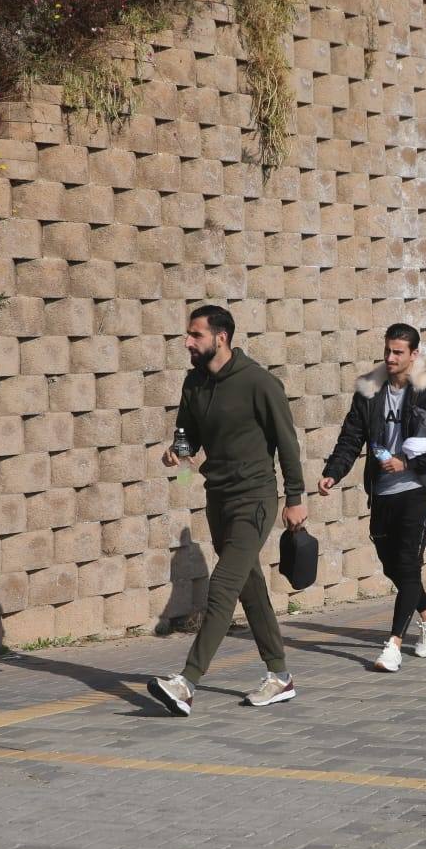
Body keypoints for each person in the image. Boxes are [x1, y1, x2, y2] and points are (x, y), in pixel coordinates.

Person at [147, 305, 308, 716]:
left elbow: (288, 444)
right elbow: (186, 441)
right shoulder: (194, 384)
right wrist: (178, 465)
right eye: (188, 334)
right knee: (249, 586)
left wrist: (295, 499)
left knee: (221, 588)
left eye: (195, 335)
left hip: (254, 500)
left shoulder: (258, 382)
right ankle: (280, 677)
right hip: (217, 499)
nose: (187, 342)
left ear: (220, 337)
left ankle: (186, 683)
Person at [318, 323, 426, 672]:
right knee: (392, 565)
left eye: (399, 352)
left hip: (418, 488)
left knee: (407, 563)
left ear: (414, 354)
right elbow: (351, 436)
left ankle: (393, 645)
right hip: (382, 491)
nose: (390, 358)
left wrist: (410, 461)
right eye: (388, 350)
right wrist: (333, 472)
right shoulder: (369, 389)